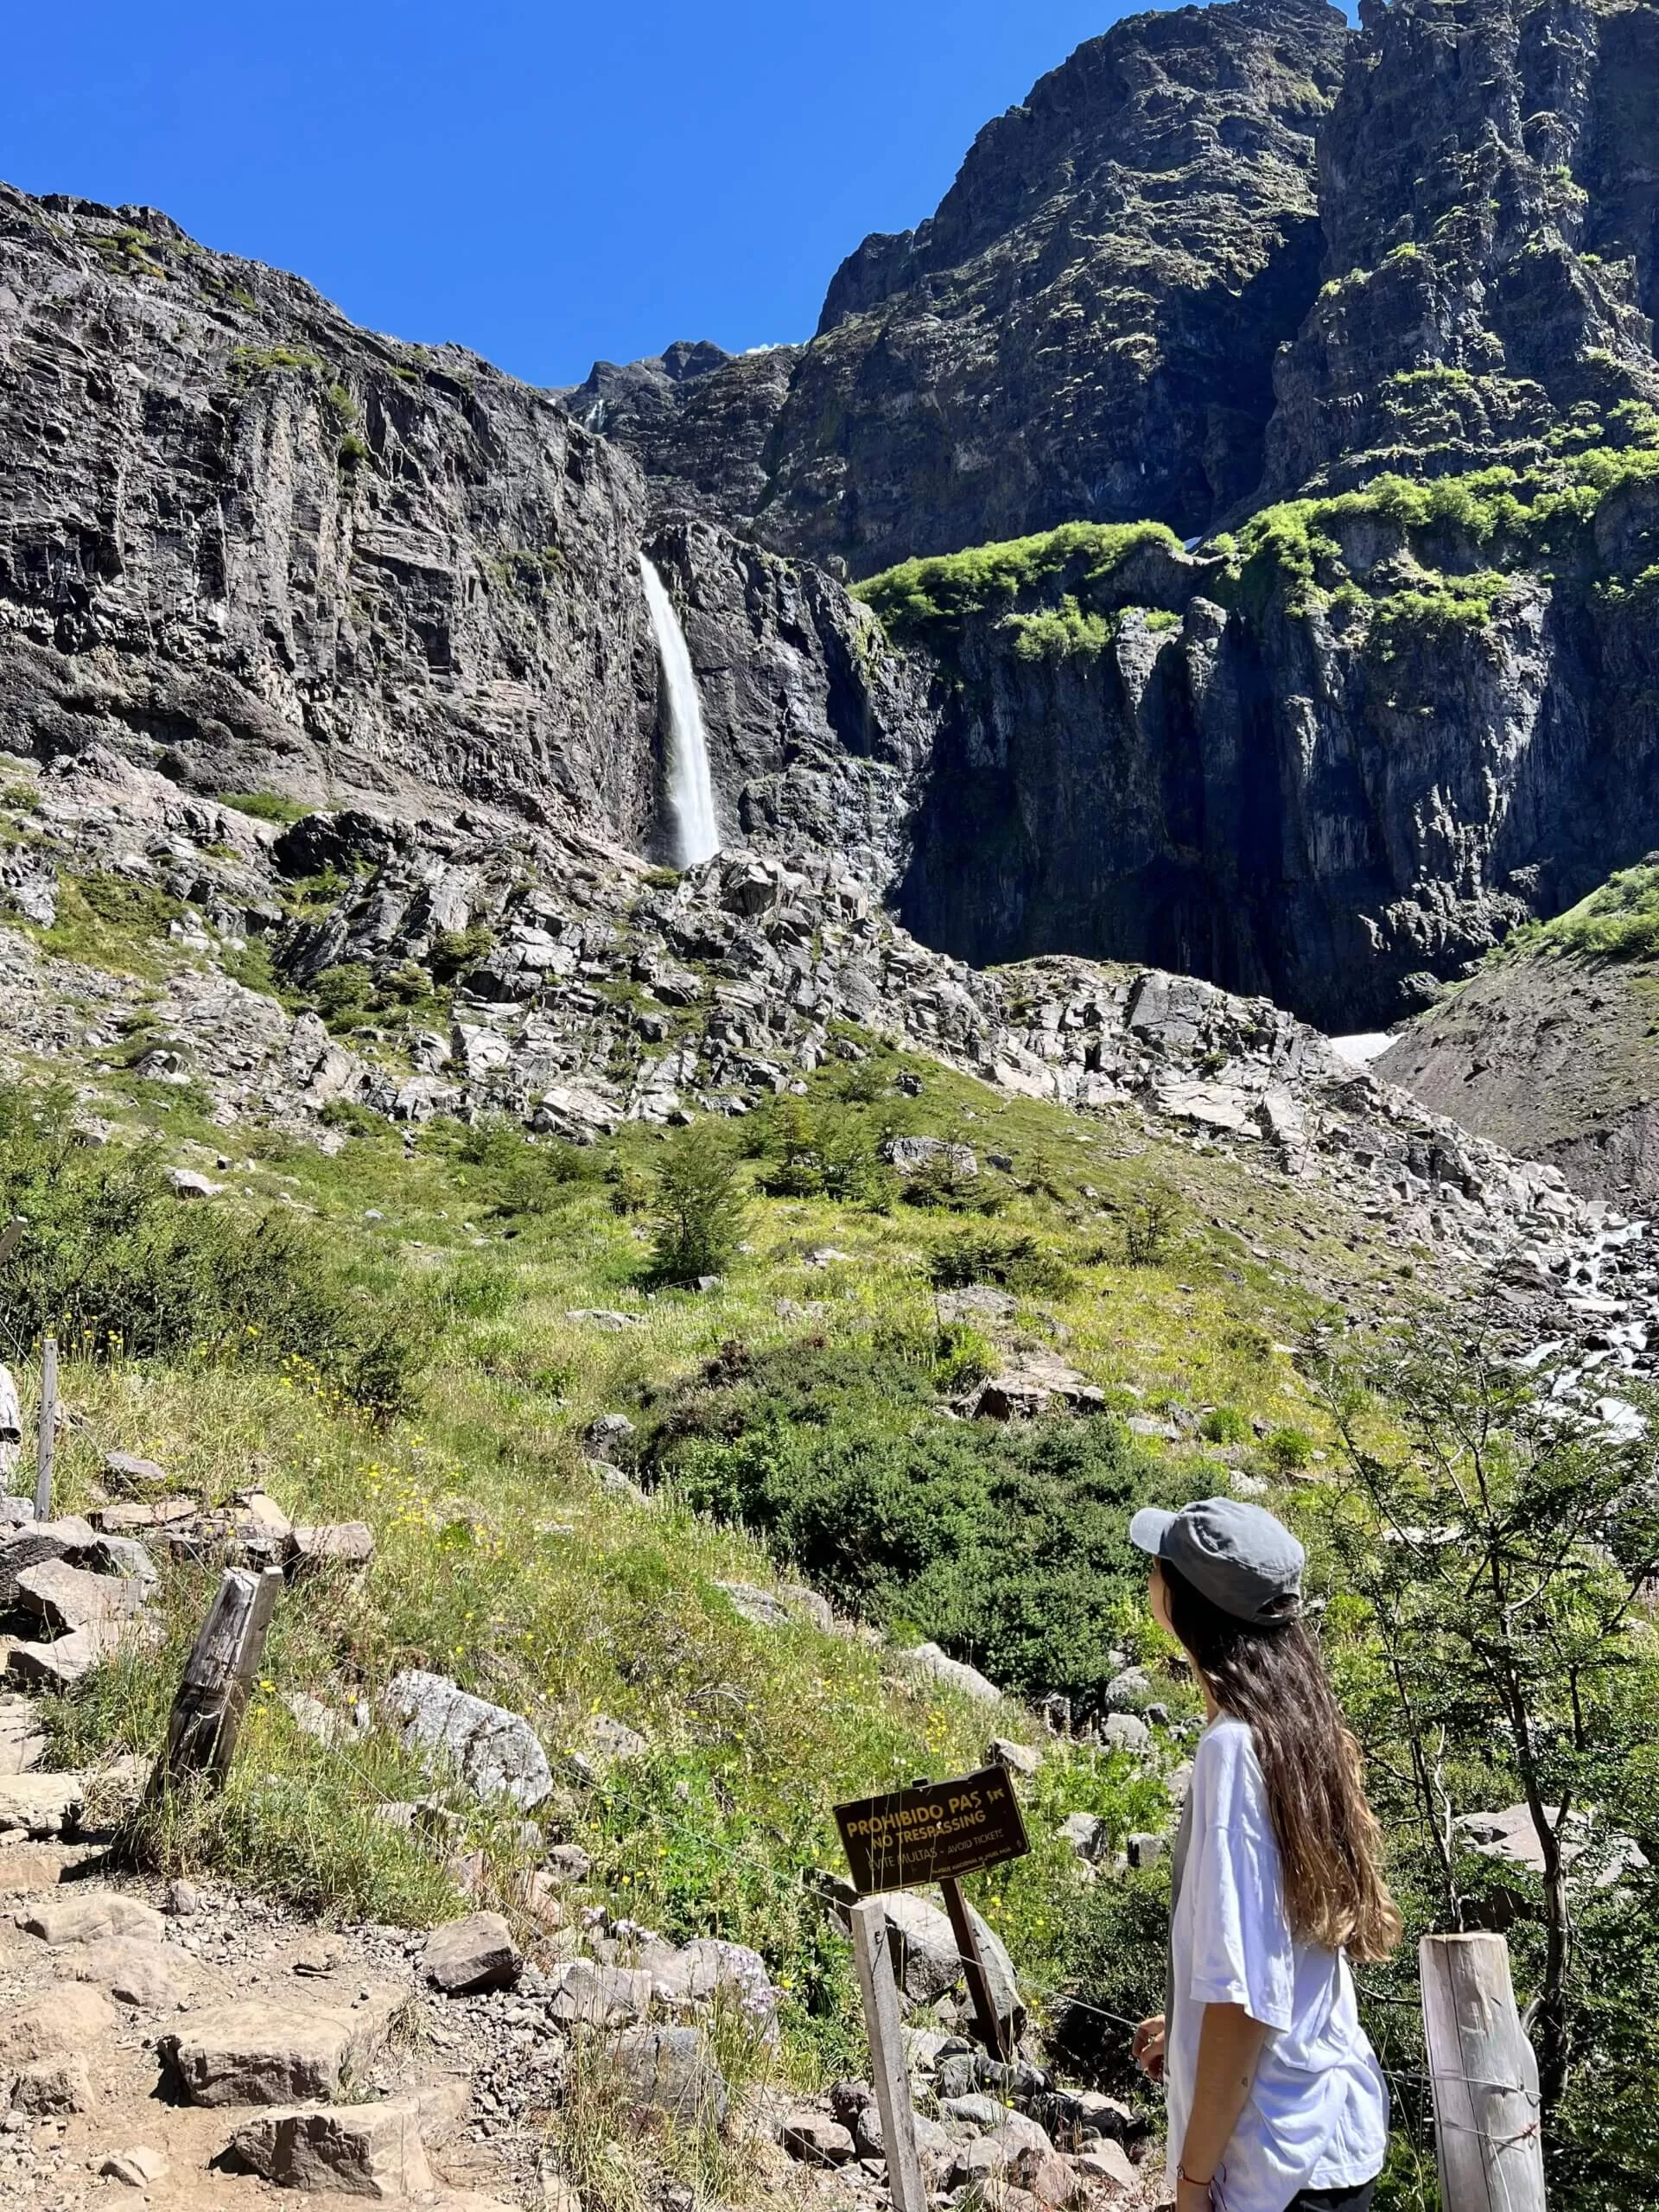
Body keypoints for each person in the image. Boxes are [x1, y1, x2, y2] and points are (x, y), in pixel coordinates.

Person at [1126, 1497, 1401, 2212]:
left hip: (1272, 2170)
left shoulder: (1233, 1753)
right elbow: (1280, 1954)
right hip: (1330, 2135)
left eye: (1160, 1568)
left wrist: (1190, 2189)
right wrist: (1187, 2030)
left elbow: (1245, 2007)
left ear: (1183, 1603)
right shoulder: (1295, 1724)